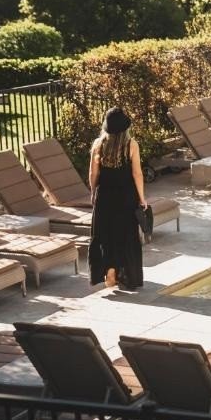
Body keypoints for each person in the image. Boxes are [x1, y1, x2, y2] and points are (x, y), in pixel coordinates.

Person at [88, 107, 145, 290]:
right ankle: (124, 274)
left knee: (106, 235)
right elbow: (137, 173)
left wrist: (93, 193)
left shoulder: (98, 144)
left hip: (104, 195)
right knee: (126, 235)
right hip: (126, 197)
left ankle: (110, 271)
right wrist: (142, 198)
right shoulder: (131, 145)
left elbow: (93, 174)